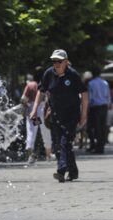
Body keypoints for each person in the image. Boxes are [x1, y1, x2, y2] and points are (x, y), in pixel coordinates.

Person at [30, 49, 88, 183]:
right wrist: (34, 110)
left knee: (64, 142)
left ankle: (61, 170)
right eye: (54, 61)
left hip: (71, 115)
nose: (56, 64)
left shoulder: (73, 75)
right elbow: (41, 91)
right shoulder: (49, 73)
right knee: (58, 145)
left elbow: (84, 94)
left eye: (59, 61)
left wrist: (84, 114)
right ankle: (73, 172)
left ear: (66, 62)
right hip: (55, 114)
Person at [21, 66, 54, 164]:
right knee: (46, 132)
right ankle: (48, 155)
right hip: (43, 111)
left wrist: (26, 105)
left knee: (32, 131)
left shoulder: (30, 85)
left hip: (34, 111)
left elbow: (23, 99)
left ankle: (30, 155)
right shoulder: (45, 84)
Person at [87, 67, 111, 154]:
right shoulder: (105, 83)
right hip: (104, 106)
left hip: (95, 107)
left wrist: (87, 108)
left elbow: (90, 97)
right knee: (102, 126)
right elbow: (108, 95)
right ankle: (101, 146)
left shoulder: (91, 83)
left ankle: (98, 147)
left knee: (96, 127)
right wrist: (108, 104)